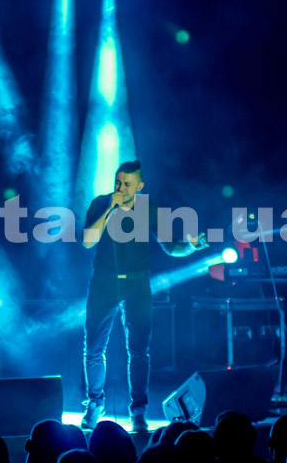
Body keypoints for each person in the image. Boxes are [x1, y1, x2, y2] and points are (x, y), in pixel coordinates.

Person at [81, 160, 206, 431]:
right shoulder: (100, 203)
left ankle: (138, 411)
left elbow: (171, 248)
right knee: (94, 349)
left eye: (127, 184)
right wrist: (110, 209)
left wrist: (191, 247)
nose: (121, 188)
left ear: (139, 186)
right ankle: (95, 404)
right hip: (104, 281)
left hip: (137, 284)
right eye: (118, 182)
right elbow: (88, 241)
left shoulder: (149, 209)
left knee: (139, 351)